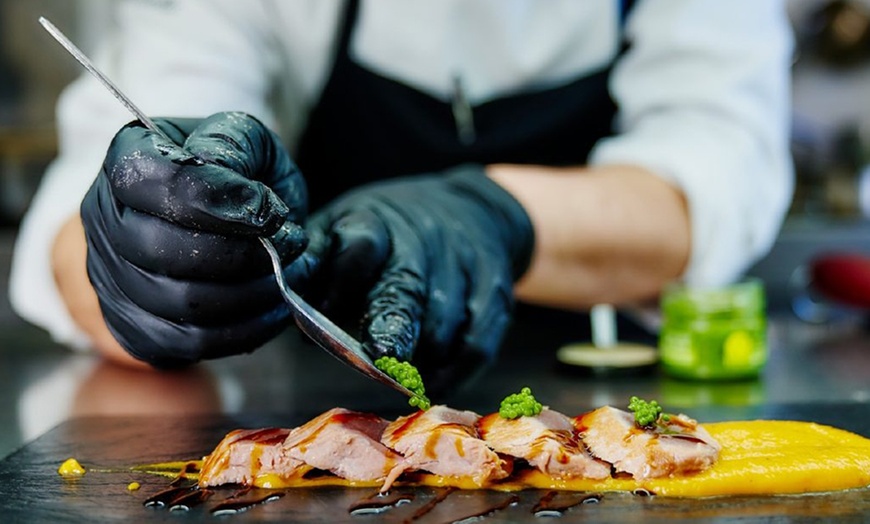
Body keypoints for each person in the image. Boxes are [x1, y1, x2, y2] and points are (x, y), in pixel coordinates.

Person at [10, 0, 794, 395]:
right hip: (304, 405)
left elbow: (719, 169)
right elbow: (91, 217)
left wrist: (496, 216)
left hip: (603, 391)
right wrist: (149, 249)